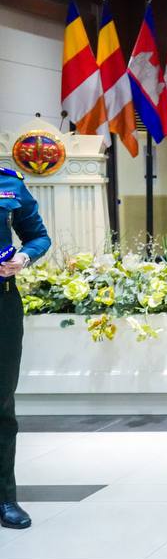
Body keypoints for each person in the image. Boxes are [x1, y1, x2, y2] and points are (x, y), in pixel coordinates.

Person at [1, 164, 51, 529]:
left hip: (2, 301)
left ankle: (5, 498)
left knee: (2, 402)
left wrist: (23, 258)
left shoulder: (8, 182)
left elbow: (38, 236)